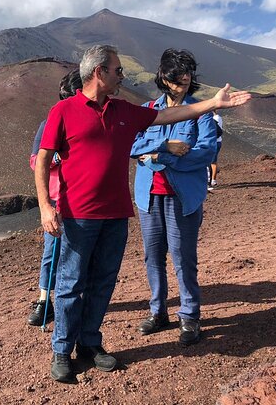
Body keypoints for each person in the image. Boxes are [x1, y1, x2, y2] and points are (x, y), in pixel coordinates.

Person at [36, 44, 250, 383]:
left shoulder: (124, 110)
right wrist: (46, 206)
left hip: (117, 214)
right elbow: (44, 159)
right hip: (78, 214)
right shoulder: (64, 110)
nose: (123, 75)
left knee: (104, 282)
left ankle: (90, 343)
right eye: (118, 70)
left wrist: (213, 104)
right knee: (71, 282)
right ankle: (62, 350)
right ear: (99, 73)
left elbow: (167, 118)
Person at [130, 49, 216, 346]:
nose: (184, 81)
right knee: (152, 256)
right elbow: (133, 144)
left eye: (188, 75)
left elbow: (207, 151)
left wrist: (165, 158)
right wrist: (166, 146)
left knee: (183, 257)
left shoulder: (200, 111)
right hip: (149, 195)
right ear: (165, 79)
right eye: (177, 77)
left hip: (183, 197)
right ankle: (158, 311)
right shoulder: (147, 109)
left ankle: (190, 315)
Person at [27, 69, 83, 327]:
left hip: (83, 198)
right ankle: (43, 300)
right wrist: (58, 158)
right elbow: (35, 160)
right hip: (58, 199)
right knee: (52, 251)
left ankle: (74, 297)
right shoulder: (48, 123)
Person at [209, 110, 223, 189]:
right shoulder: (219, 118)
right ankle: (213, 179)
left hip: (214, 142)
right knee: (214, 161)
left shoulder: (214, 119)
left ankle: (212, 181)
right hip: (218, 141)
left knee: (212, 162)